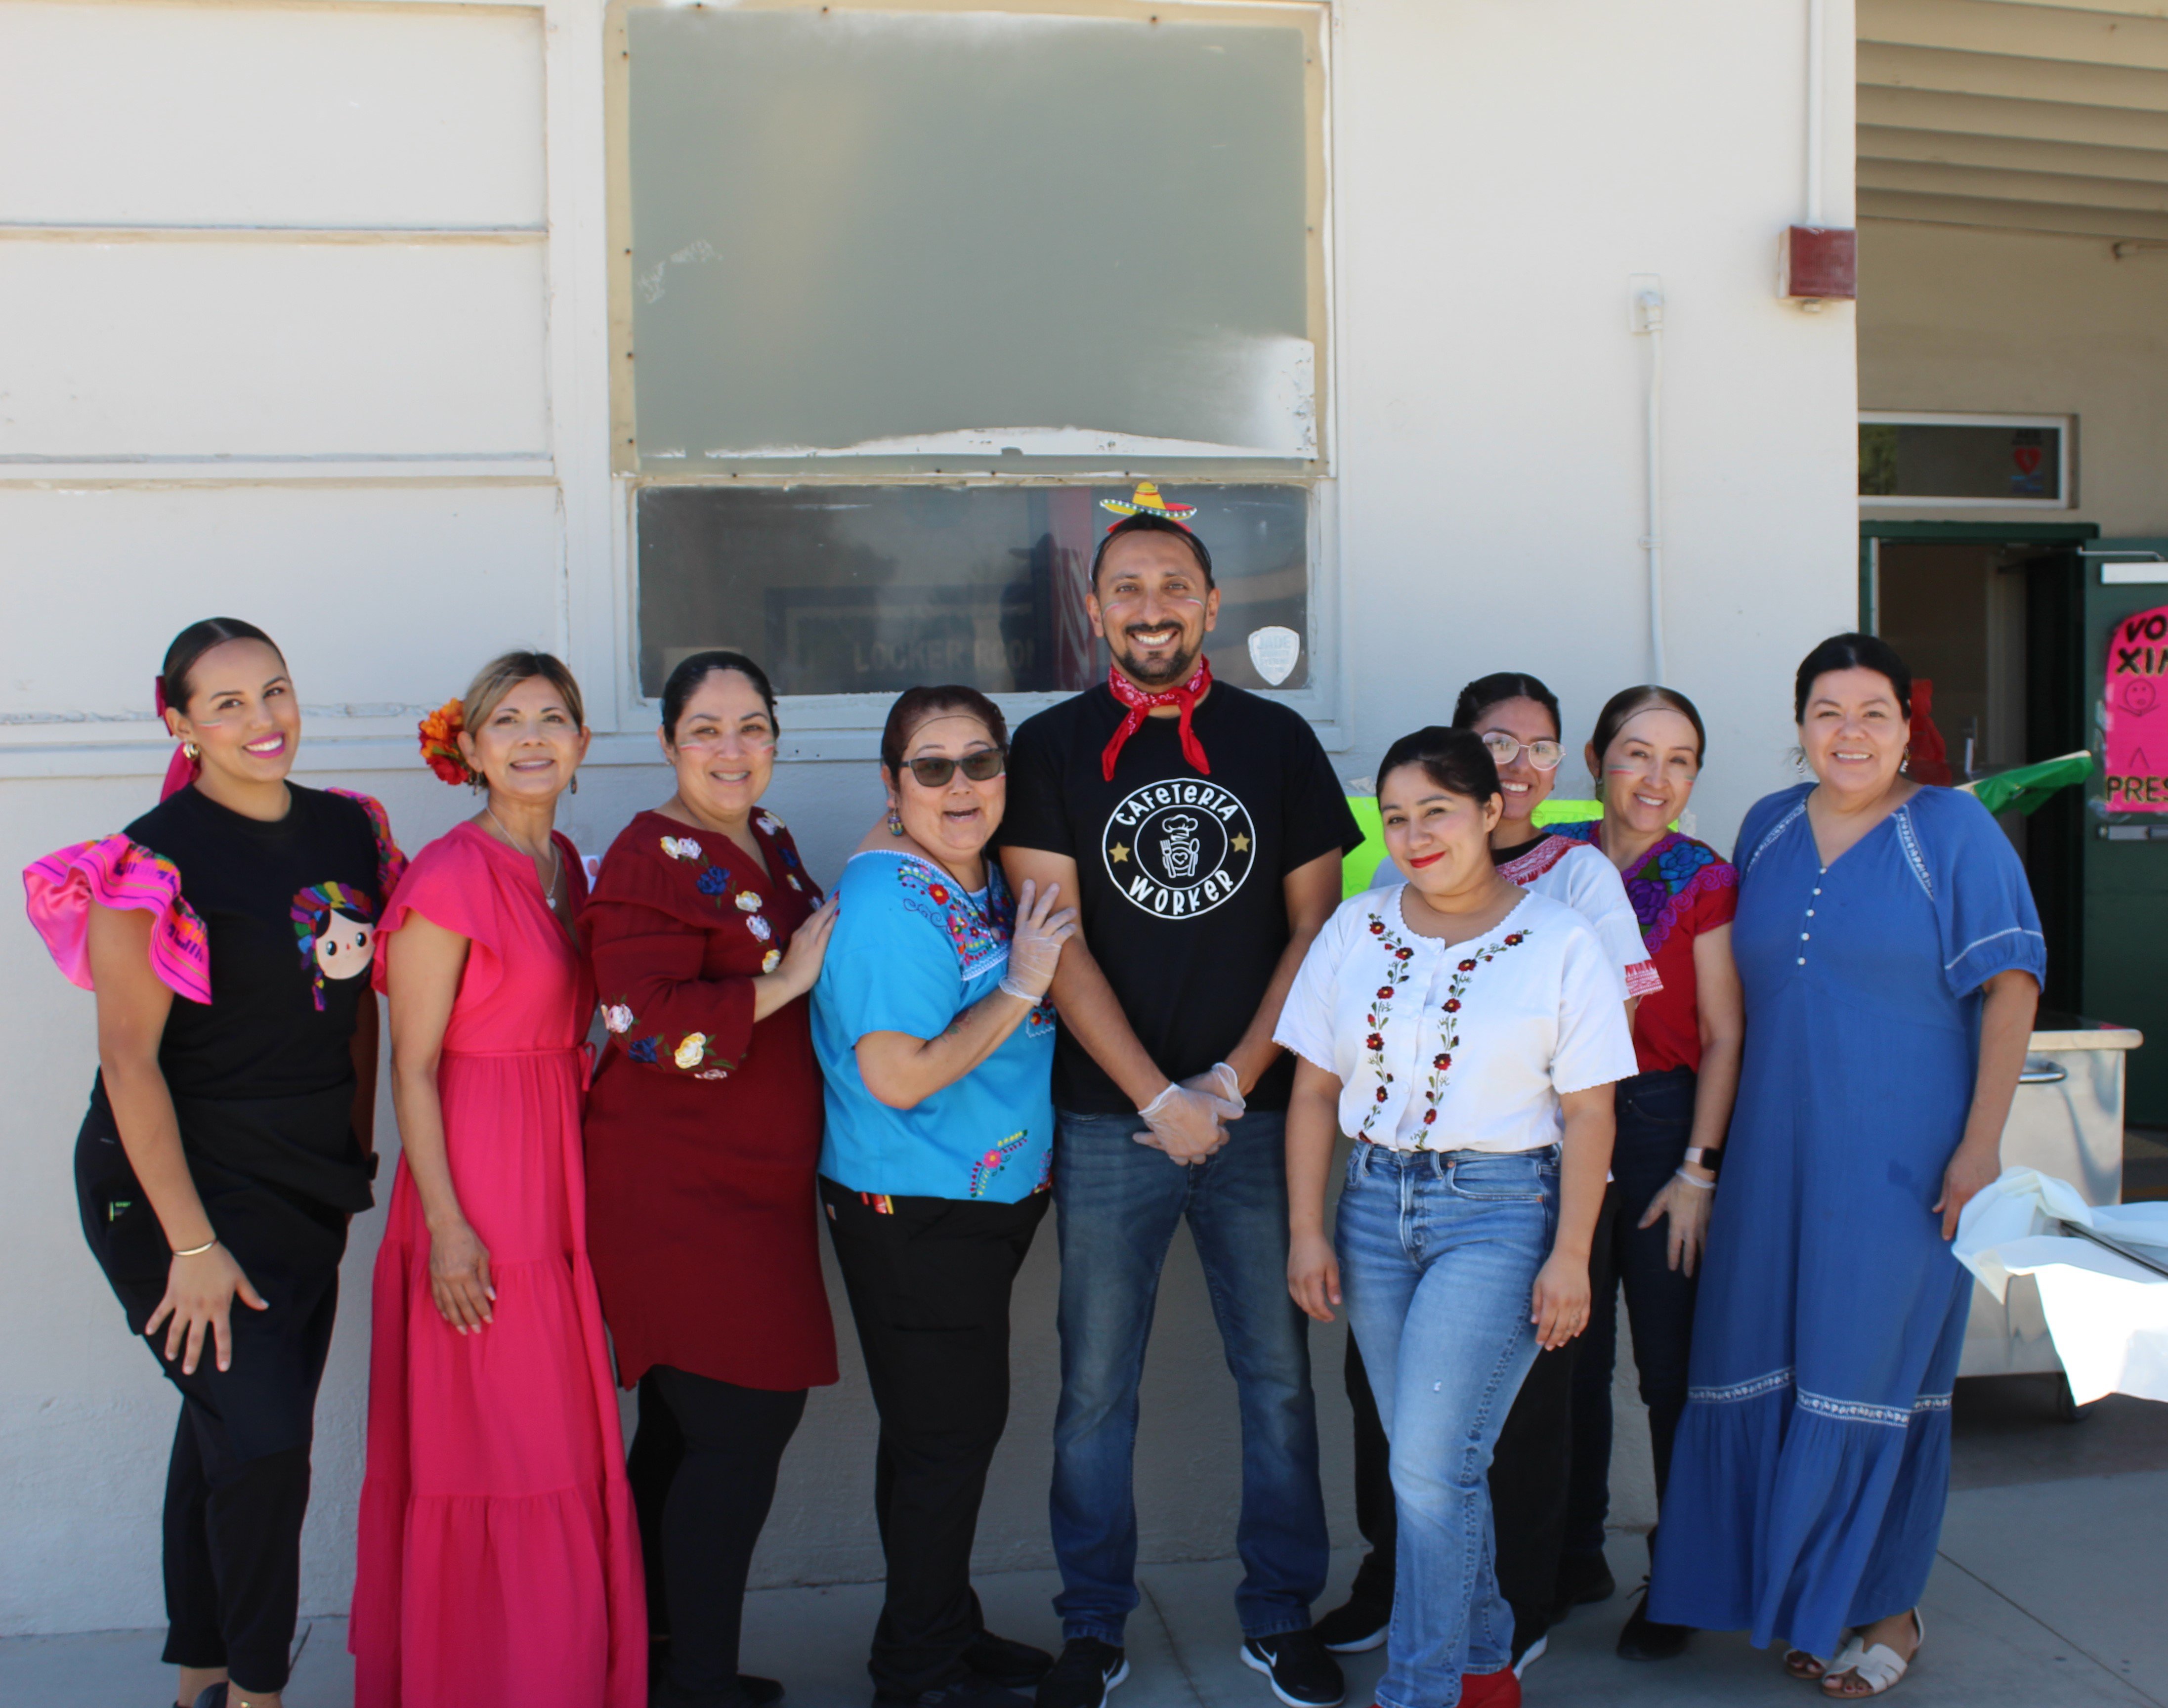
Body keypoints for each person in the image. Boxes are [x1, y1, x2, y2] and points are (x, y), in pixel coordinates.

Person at [1000, 511, 1362, 1708]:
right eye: (1125, 587)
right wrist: (1156, 1092)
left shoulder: (1276, 741)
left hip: (1257, 1124)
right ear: (1092, 609)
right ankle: (1093, 1626)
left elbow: (1318, 932)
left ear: (1211, 605)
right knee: (1096, 1385)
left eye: (1173, 584)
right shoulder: (1048, 748)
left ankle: (1277, 1613)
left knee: (1277, 1377)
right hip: (1109, 1126)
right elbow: (1049, 941)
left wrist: (1229, 1083)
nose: (1150, 605)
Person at [1648, 635, 2042, 1698]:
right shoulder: (1766, 829)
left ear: (1907, 726)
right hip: (1771, 1162)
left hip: (1901, 1162)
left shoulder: (1947, 828)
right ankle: (1805, 1601)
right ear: (1799, 726)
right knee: (1768, 1366)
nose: (1850, 733)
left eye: (1873, 712)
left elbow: (2011, 985)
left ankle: (1889, 1609)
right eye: (1827, 712)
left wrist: (1979, 1145)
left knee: (1866, 1380)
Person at [24, 618, 404, 1708]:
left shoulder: (347, 831)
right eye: (227, 703)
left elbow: (357, 1003)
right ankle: (254, 1694)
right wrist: (191, 1243)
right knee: (270, 1442)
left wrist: (357, 1144)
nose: (261, 720)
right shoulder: (147, 861)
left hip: (303, 1184)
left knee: (230, 1434)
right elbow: (130, 1066)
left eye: (275, 692)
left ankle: (198, 1676)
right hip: (169, 1192)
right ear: (179, 721)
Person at [1280, 726, 1635, 1708]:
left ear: (1490, 812)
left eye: (1436, 810)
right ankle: (1484, 1660)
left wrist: (1571, 1255)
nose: (1413, 834)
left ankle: (1418, 1689)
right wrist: (1308, 1229)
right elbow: (1313, 1091)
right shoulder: (1356, 928)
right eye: (1395, 817)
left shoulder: (1561, 937)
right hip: (1373, 1205)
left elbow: (1591, 1109)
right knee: (1430, 1466)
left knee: (1431, 1473)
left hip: (1502, 1209)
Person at [350, 652, 644, 1708]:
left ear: (580, 743)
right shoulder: (449, 874)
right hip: (478, 1183)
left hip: (557, 1172)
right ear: (470, 749)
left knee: (563, 1441)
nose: (532, 736)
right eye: (507, 721)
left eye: (553, 718)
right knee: (503, 1449)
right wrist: (448, 1229)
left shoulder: (565, 857)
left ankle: (560, 1671)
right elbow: (412, 1066)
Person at [811, 685, 1080, 1708]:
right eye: (931, 766)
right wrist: (1023, 982)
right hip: (912, 1210)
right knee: (946, 1439)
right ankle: (913, 1672)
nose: (959, 785)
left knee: (938, 1436)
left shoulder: (964, 879)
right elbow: (899, 1075)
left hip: (969, 1206)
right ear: (892, 784)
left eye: (979, 761)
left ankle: (937, 1628)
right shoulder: (888, 903)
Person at [583, 651, 841, 1708]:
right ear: (668, 744)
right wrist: (787, 983)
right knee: (738, 1427)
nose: (730, 750)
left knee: (693, 1434)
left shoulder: (768, 841)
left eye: (750, 728)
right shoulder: (647, 858)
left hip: (757, 1187)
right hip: (676, 1190)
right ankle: (692, 1681)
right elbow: (643, 1024)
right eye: (705, 729)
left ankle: (654, 1661)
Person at [1553, 686, 1743, 1661]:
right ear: (1595, 758)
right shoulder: (1552, 860)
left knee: (1666, 1368)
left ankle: (1681, 1572)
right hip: (1565, 1123)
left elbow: (1722, 1036)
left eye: (1678, 761)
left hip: (1663, 1123)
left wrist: (1699, 1170)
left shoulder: (1703, 878)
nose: (1655, 780)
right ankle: (1571, 1552)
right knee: (1568, 1356)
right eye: (1636, 754)